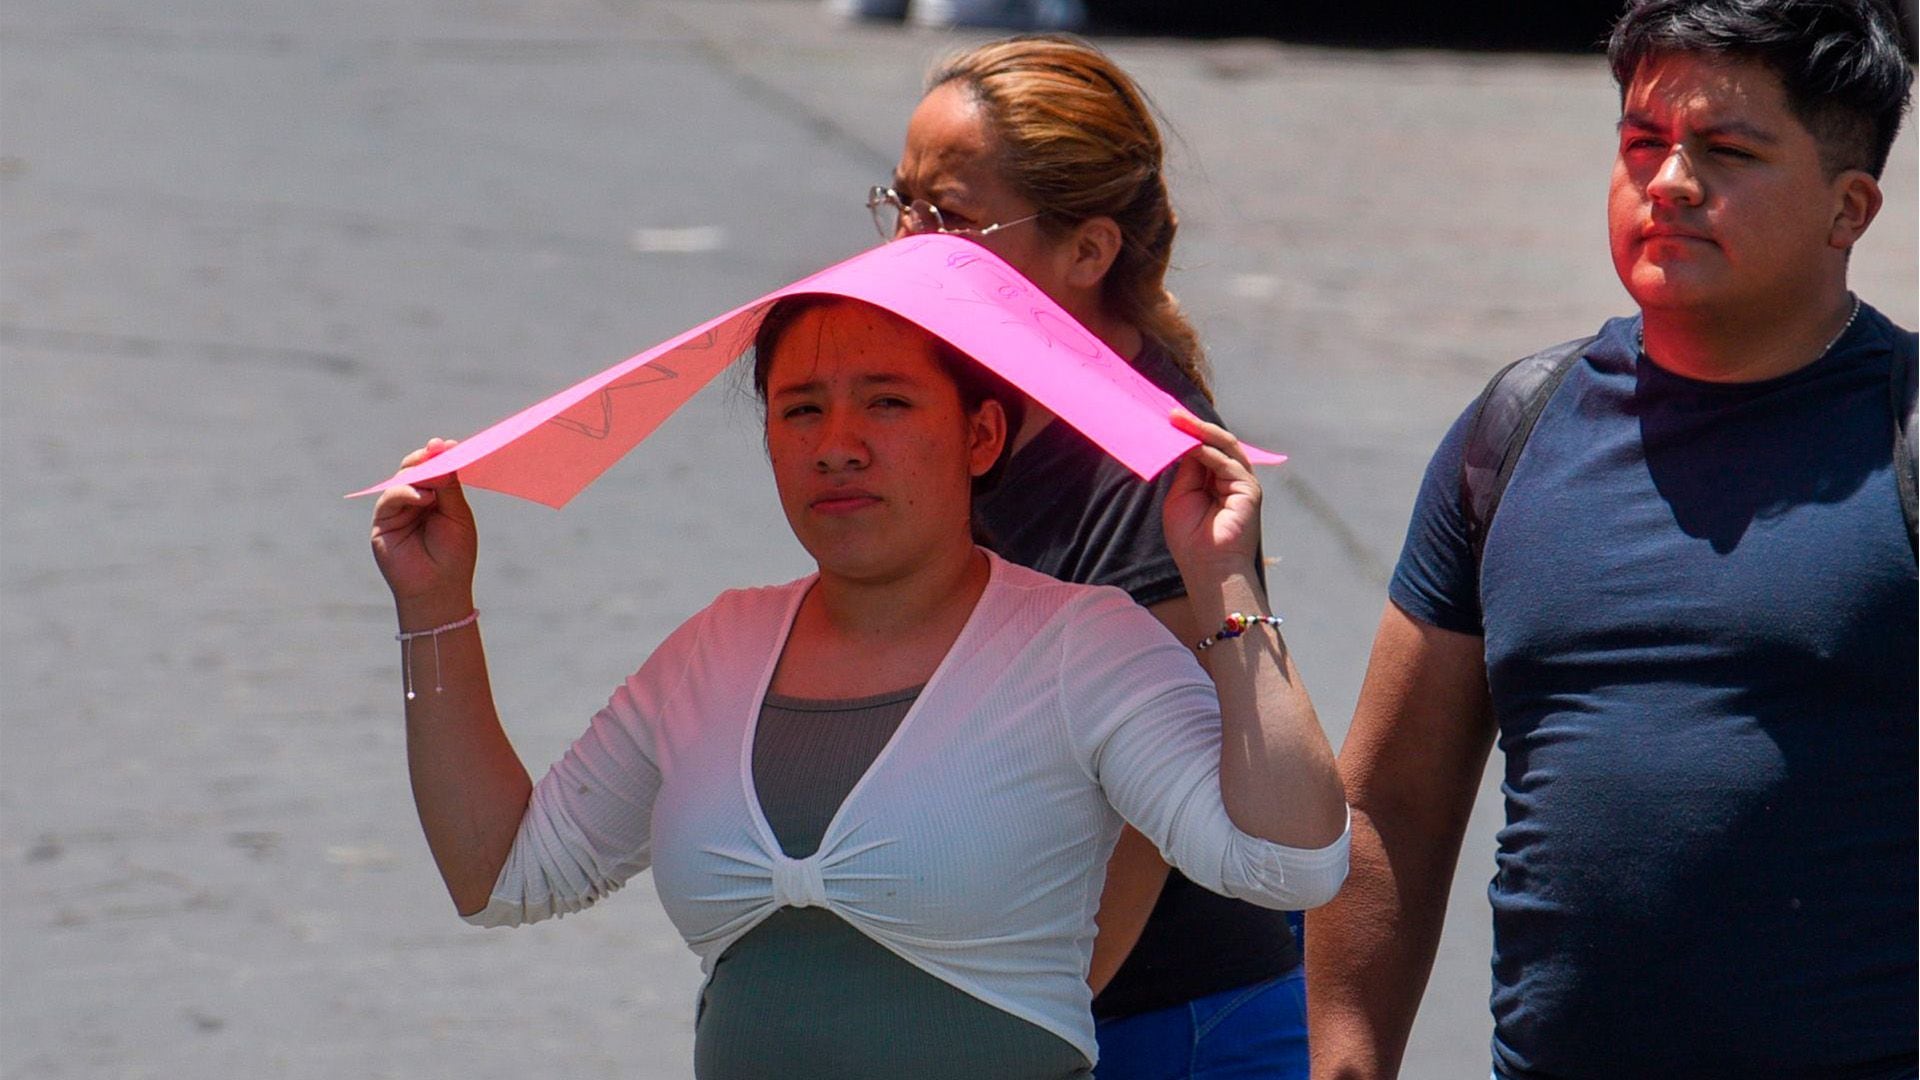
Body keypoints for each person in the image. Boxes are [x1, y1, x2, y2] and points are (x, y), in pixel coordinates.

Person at [369, 293, 1349, 1077]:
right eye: (801, 409)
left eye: (886, 400)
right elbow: (500, 875)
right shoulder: (718, 647)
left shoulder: (1077, 646)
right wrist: (434, 605)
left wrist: (1223, 575)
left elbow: (1292, 863)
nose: (837, 441)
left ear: (981, 435)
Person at [1305, 2, 1917, 1078]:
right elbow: (1391, 805)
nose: (1671, 181)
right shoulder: (1513, 431)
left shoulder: (1903, 437)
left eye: (1728, 151)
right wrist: (1347, 1060)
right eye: (1643, 143)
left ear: (1848, 208)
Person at [874, 34, 1320, 1077]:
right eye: (898, 203)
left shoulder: (1151, 475)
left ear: (1088, 253)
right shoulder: (976, 395)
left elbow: (1137, 830)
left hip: (1153, 1021)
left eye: (948, 218)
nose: (906, 242)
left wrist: (1017, 1036)